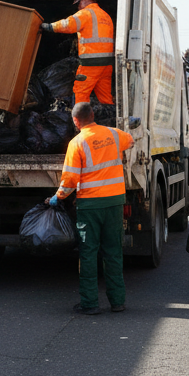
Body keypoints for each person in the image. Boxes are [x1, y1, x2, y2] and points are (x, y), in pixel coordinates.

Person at [50, 101, 134, 315]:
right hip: (115, 201)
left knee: (88, 253)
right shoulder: (114, 134)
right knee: (113, 252)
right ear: (93, 115)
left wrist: (57, 197)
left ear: (75, 121)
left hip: (90, 205)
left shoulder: (77, 143)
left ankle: (90, 304)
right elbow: (131, 140)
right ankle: (118, 302)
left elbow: (70, 179)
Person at [42, 0, 114, 105]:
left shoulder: (86, 13)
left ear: (84, 0)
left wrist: (49, 27)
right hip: (107, 64)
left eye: (79, 4)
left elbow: (68, 25)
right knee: (105, 95)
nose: (79, 7)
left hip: (90, 64)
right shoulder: (106, 16)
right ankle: (110, 113)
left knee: (81, 92)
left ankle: (80, 116)